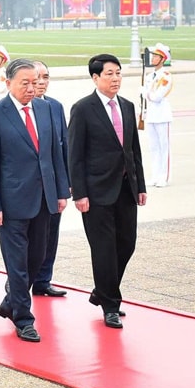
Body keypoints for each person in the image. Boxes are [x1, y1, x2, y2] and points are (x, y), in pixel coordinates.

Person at [0, 58, 70, 343]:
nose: (32, 88)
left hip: (44, 199)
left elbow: (54, 155)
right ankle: (23, 318)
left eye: (36, 82)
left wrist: (61, 192)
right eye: (25, 83)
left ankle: (11, 302)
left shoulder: (45, 109)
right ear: (8, 84)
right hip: (12, 203)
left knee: (37, 258)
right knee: (17, 264)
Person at [68, 53, 147, 329]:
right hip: (96, 193)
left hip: (126, 189)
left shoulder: (126, 106)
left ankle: (102, 291)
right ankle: (111, 305)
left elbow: (133, 150)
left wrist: (141, 186)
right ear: (95, 77)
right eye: (109, 74)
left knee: (127, 244)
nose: (115, 79)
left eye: (118, 73)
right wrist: (79, 193)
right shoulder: (83, 109)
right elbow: (74, 154)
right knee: (103, 250)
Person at [29, 61, 70, 298]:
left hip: (53, 184)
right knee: (27, 236)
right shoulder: (15, 109)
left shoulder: (55, 107)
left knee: (50, 233)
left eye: (45, 77)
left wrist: (66, 184)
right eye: (36, 78)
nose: (42, 82)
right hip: (28, 187)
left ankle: (43, 280)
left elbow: (63, 146)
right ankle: (21, 279)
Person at [142, 44, 174, 187]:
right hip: (151, 116)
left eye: (156, 56)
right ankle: (155, 175)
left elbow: (157, 96)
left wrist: (145, 93)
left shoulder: (166, 76)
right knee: (153, 147)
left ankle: (164, 177)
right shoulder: (149, 76)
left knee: (164, 147)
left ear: (162, 59)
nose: (153, 58)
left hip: (162, 115)